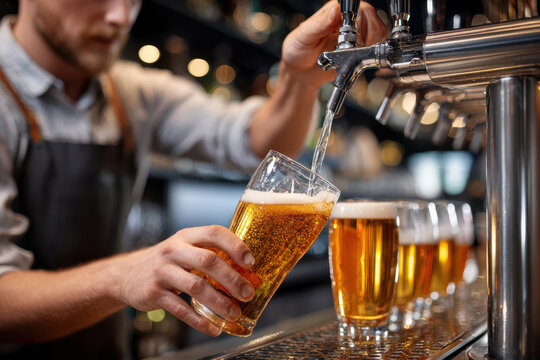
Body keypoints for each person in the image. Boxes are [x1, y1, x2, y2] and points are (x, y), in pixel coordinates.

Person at [0, 0, 387, 358]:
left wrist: (298, 78)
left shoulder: (130, 92)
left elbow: (255, 141)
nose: (120, 16)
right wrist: (123, 276)